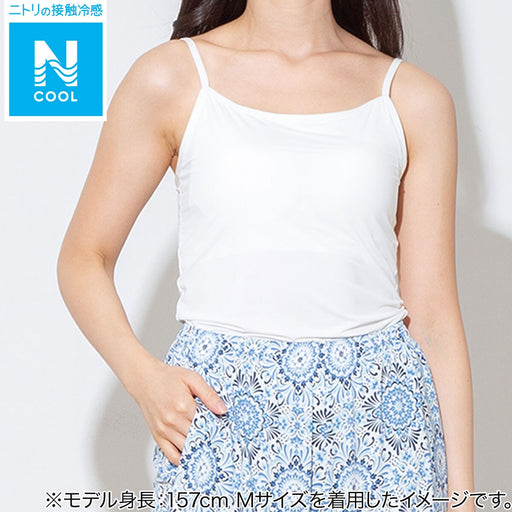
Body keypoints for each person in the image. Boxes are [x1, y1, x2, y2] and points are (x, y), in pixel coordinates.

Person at [57, 0, 475, 511]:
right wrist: (144, 378)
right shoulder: (172, 77)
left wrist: (464, 499)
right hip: (224, 415)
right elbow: (84, 256)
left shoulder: (413, 99)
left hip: (383, 423)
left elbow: (433, 319)